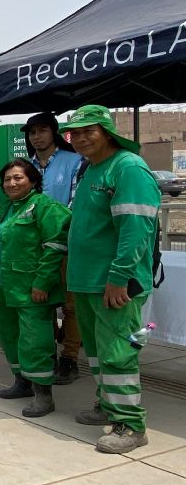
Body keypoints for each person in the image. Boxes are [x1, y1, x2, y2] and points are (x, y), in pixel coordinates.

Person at [63, 105, 160, 454]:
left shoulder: (128, 168)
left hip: (115, 284)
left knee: (119, 352)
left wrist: (119, 277)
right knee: (100, 352)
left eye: (89, 130)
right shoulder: (91, 169)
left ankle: (130, 425)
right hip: (88, 281)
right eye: (75, 133)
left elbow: (136, 231)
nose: (81, 138)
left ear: (106, 131)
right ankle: (108, 405)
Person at [0, 159, 71, 417]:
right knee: (8, 334)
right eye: (7, 179)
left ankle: (43, 394)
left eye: (18, 177)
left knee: (35, 339)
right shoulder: (4, 208)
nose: (12, 183)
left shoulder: (44, 207)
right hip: (0, 284)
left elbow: (55, 247)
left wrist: (42, 282)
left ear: (32, 180)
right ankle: (22, 382)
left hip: (30, 287)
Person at [23, 111, 86, 385]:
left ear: (54, 132)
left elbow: (75, 203)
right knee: (42, 302)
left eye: (42, 131)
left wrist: (57, 232)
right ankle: (47, 353)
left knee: (71, 306)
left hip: (67, 244)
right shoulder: (25, 167)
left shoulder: (75, 162)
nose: (37, 137)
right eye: (32, 132)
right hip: (34, 247)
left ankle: (70, 357)